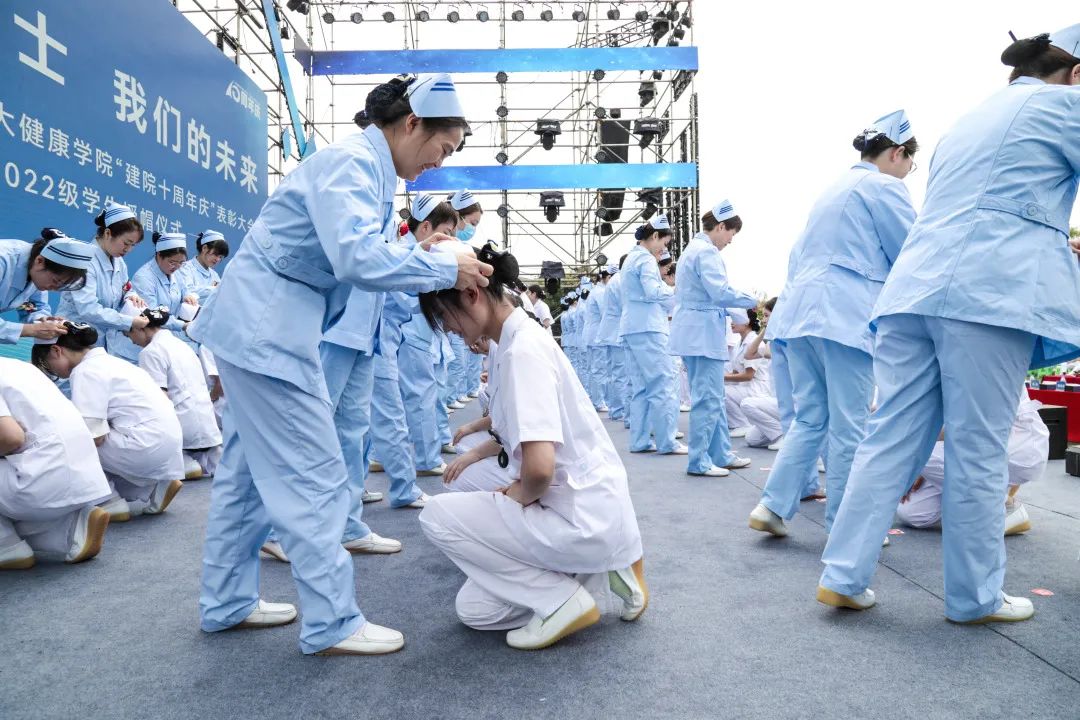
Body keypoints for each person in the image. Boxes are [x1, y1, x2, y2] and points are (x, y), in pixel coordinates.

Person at [187, 72, 491, 656]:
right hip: (268, 330)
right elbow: (355, 259)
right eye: (442, 149)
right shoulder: (353, 164)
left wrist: (417, 256)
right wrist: (443, 269)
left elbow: (353, 251)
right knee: (317, 472)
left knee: (247, 479)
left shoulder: (367, 170)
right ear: (411, 125)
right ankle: (332, 621)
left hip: (268, 325)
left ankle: (226, 603)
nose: (438, 163)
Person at [818, 27, 1080, 623]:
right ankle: (974, 596)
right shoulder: (1066, 105)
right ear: (1076, 73)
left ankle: (843, 574)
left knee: (890, 435)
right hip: (990, 287)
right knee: (979, 443)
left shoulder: (971, 117)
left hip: (916, 288)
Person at [417, 245, 648, 650]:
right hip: (580, 508)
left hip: (574, 514)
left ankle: (563, 600)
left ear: (471, 295)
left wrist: (512, 496)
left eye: (444, 317)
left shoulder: (522, 349)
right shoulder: (511, 340)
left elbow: (538, 471)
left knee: (437, 515)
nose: (448, 329)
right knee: (475, 610)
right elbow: (511, 432)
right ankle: (598, 567)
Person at [749, 109, 918, 538]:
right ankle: (845, 527)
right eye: (910, 164)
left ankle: (772, 504)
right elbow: (910, 255)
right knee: (851, 427)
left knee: (810, 419)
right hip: (844, 316)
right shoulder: (884, 188)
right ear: (896, 153)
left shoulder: (830, 191)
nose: (908, 173)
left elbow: (796, 257)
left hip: (800, 315)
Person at [32, 322, 185, 520]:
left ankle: (109, 501)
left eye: (46, 365)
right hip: (165, 444)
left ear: (56, 350)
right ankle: (152, 488)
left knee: (69, 442)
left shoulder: (85, 371)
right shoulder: (113, 362)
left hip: (145, 446)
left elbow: (93, 436)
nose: (51, 371)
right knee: (99, 442)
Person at [667, 202, 757, 476]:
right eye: (731, 233)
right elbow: (719, 292)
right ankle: (699, 461)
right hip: (702, 335)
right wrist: (752, 300)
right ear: (720, 227)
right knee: (708, 398)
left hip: (695, 332)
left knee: (713, 397)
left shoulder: (692, 250)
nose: (731, 240)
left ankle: (720, 453)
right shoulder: (706, 252)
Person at [0, 356, 111, 569]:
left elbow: (11, 438)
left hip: (42, 482)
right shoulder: (20, 366)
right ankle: (69, 529)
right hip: (85, 477)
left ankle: (6, 545)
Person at [897, 391, 1048, 534]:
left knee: (914, 448)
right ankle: (990, 500)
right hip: (972, 441)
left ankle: (1002, 501)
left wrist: (919, 464)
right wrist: (926, 468)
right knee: (912, 513)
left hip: (1015, 443)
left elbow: (964, 426)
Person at [399, 194, 461, 478]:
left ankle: (384, 456)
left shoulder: (413, 251)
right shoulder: (408, 254)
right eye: (447, 232)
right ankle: (426, 459)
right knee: (420, 397)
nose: (450, 239)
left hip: (415, 335)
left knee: (401, 401)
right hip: (410, 336)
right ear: (425, 227)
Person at [127, 307, 223, 479]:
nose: (131, 341)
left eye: (128, 334)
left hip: (181, 429)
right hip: (207, 422)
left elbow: (158, 398)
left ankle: (184, 464)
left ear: (140, 328)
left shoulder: (150, 352)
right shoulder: (182, 346)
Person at [620, 216, 686, 455]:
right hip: (648, 327)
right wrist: (677, 290)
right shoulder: (646, 260)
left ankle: (640, 441)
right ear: (655, 236)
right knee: (663, 383)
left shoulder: (630, 259)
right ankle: (667, 441)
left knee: (641, 388)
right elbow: (652, 291)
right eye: (664, 243)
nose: (664, 250)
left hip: (631, 328)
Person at [57, 202, 150, 359]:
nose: (128, 249)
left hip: (99, 343)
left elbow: (126, 287)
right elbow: (88, 309)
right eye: (126, 243)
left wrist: (131, 296)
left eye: (133, 245)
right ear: (108, 233)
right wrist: (129, 322)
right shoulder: (85, 261)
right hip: (72, 340)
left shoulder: (118, 261)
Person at [1, 230, 92, 344]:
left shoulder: (37, 271)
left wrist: (42, 320)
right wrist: (30, 330)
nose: (53, 289)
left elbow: (33, 306)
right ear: (40, 261)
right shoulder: (3, 259)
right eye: (55, 281)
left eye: (61, 286)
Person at [131, 233, 199, 354]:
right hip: (141, 341)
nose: (177, 267)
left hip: (166, 334)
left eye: (181, 263)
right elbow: (154, 314)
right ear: (159, 255)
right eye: (172, 262)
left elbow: (184, 289)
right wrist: (183, 325)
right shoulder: (144, 278)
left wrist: (188, 296)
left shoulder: (176, 272)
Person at [724, 308, 764, 436]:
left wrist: (723, 377)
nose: (731, 323)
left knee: (722, 390)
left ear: (746, 322)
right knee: (719, 387)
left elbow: (748, 376)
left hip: (756, 388)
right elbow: (735, 372)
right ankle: (738, 421)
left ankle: (742, 424)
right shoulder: (739, 343)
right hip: (745, 387)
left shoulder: (753, 342)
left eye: (735, 320)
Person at [176, 230, 229, 304]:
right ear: (204, 248)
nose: (217, 259)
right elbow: (187, 291)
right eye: (216, 254)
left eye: (220, 257)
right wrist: (216, 289)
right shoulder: (185, 268)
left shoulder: (215, 275)